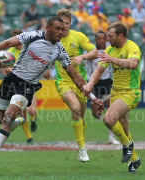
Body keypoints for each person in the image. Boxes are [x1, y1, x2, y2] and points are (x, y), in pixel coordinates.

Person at [0, 16, 102, 170]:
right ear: (48, 27)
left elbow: (75, 76)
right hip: (12, 80)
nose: (61, 32)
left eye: (63, 29)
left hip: (28, 86)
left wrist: (93, 97)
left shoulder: (60, 50)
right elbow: (6, 43)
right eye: (58, 28)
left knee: (9, 116)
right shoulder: (33, 36)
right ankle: (18, 122)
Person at [83, 22, 142, 172]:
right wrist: (89, 85)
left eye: (110, 36)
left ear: (120, 36)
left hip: (131, 92)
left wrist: (112, 60)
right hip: (116, 92)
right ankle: (134, 160)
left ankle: (127, 145)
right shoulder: (110, 49)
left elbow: (133, 64)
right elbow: (99, 70)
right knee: (124, 130)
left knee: (108, 119)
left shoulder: (132, 47)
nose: (107, 39)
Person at [56, 9, 98, 162]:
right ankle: (82, 149)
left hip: (81, 82)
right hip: (63, 81)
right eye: (62, 23)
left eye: (67, 23)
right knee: (75, 109)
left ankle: (82, 145)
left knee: (81, 117)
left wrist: (82, 56)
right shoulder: (53, 39)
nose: (64, 26)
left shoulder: (78, 36)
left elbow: (95, 52)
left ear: (71, 23)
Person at [2, 28, 37, 145]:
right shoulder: (10, 52)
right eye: (15, 37)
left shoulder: (29, 49)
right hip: (16, 85)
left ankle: (34, 120)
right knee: (22, 113)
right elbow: (5, 68)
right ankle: (29, 137)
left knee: (32, 111)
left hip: (30, 84)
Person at [85, 31, 120, 144]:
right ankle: (97, 113)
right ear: (95, 40)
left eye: (103, 38)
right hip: (94, 83)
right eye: (98, 38)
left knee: (111, 110)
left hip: (107, 83)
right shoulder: (91, 51)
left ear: (106, 39)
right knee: (96, 113)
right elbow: (86, 64)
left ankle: (111, 138)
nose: (101, 40)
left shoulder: (110, 50)